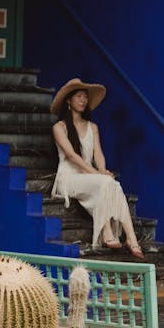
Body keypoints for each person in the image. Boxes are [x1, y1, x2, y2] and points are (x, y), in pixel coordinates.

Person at [50, 77, 144, 258]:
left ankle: (130, 237)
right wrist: (97, 174)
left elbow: (98, 154)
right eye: (78, 96)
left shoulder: (92, 127)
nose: (83, 100)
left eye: (85, 97)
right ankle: (107, 232)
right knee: (106, 183)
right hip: (68, 178)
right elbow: (71, 155)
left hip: (89, 177)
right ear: (68, 100)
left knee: (113, 184)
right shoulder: (59, 127)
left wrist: (102, 170)